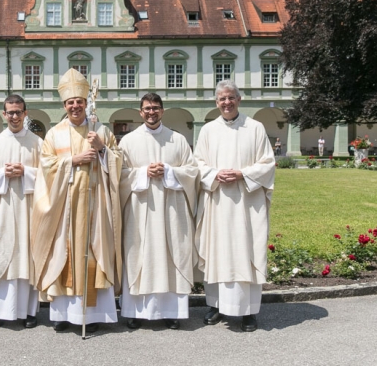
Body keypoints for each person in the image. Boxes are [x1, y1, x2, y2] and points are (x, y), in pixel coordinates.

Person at [30, 68, 122, 333]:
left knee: (93, 254)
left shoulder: (100, 130)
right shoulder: (53, 134)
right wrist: (73, 160)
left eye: (79, 102)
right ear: (64, 105)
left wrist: (102, 149)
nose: (75, 106)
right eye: (70, 102)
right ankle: (62, 315)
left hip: (95, 207)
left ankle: (91, 316)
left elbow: (118, 164)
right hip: (65, 208)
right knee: (64, 254)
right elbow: (46, 166)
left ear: (86, 104)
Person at [194, 80, 275, 332]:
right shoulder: (208, 130)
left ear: (239, 99)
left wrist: (242, 174)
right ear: (216, 103)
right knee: (219, 249)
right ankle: (216, 305)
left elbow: (268, 163)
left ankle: (249, 311)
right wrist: (214, 174)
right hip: (218, 201)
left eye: (230, 98)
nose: (226, 103)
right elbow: (197, 163)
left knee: (246, 250)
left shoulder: (255, 127)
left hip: (247, 203)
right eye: (221, 99)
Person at [118, 93, 199, 330]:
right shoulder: (128, 141)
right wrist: (143, 172)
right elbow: (119, 175)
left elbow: (192, 171)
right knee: (139, 256)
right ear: (140, 112)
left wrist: (169, 172)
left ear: (162, 111)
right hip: (140, 210)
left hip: (171, 210)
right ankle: (135, 311)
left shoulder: (178, 140)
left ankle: (171, 312)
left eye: (155, 108)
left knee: (171, 254)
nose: (151, 112)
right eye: (146, 109)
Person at [0, 94, 42, 329]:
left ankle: (27, 311)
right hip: (1, 209)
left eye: (19, 112)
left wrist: (26, 172)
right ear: (4, 115)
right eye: (10, 112)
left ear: (25, 113)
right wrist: (2, 174)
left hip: (28, 209)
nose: (14, 116)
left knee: (27, 256)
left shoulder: (38, 143)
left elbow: (49, 176)